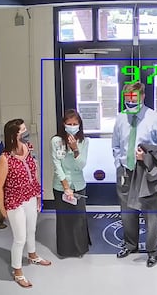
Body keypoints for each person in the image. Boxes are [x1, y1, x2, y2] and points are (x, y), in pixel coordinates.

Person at [112, 82, 157, 268]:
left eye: (134, 99)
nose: (130, 103)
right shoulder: (121, 118)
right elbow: (115, 146)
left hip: (147, 174)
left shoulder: (155, 119)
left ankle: (152, 251)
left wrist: (146, 156)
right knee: (127, 212)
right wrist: (119, 165)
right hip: (126, 172)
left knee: (152, 215)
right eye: (127, 99)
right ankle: (131, 244)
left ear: (143, 96)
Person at [0, 119, 51, 288]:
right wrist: (2, 207)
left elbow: (33, 174)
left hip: (30, 196)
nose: (26, 132)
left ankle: (33, 255)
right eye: (23, 130)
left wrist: (38, 196)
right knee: (20, 238)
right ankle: (18, 271)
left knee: (32, 229)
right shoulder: (5, 159)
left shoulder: (29, 148)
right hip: (14, 201)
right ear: (14, 134)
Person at [51, 109, 91, 257]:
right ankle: (65, 249)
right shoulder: (56, 141)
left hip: (78, 184)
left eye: (75, 124)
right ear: (64, 125)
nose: (72, 126)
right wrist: (65, 187)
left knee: (79, 218)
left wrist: (75, 150)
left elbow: (81, 165)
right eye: (69, 124)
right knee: (64, 219)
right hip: (61, 185)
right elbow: (57, 165)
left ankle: (80, 248)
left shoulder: (84, 141)